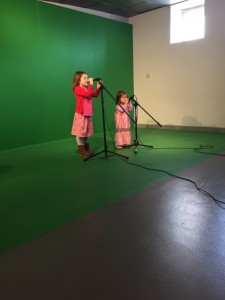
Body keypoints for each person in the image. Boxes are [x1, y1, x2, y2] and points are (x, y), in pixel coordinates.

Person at [71, 71, 101, 157]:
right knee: (80, 133)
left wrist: (98, 88)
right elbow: (87, 93)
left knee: (86, 132)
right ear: (78, 80)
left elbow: (94, 94)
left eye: (87, 78)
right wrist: (91, 84)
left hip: (88, 114)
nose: (87, 80)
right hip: (81, 114)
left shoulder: (87, 88)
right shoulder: (77, 89)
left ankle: (86, 148)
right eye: (85, 78)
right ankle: (82, 150)